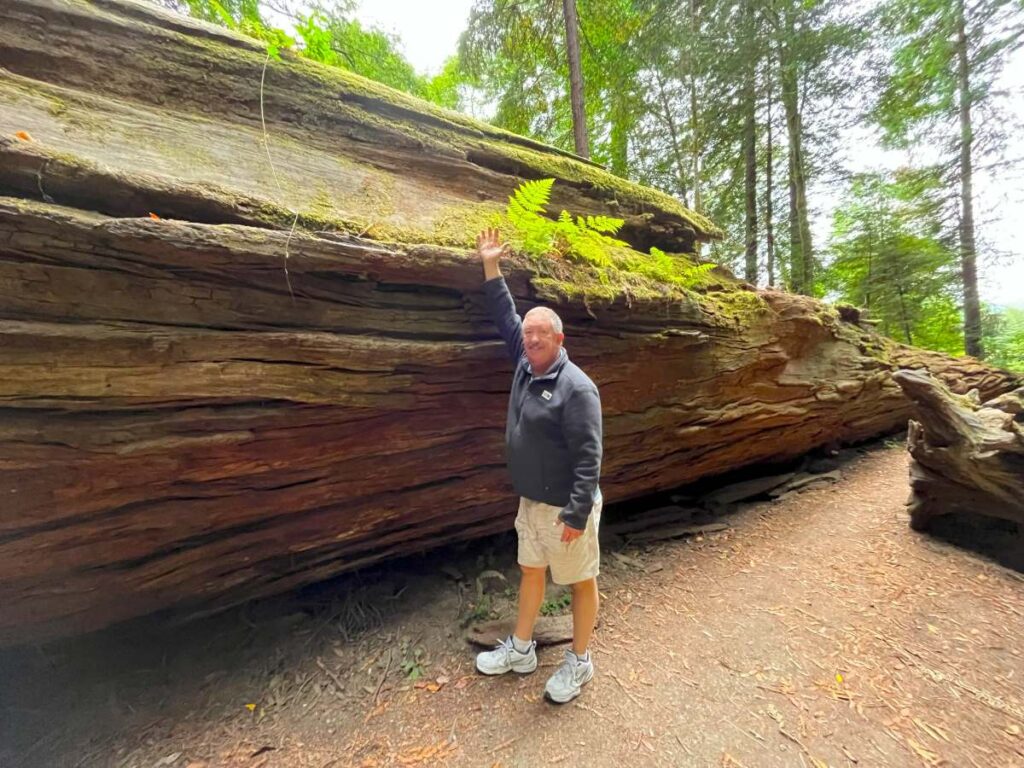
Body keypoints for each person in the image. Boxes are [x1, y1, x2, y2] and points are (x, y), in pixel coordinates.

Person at [472, 227, 604, 704]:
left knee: (579, 580)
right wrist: (491, 264)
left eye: (540, 334)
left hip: (567, 507)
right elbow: (505, 314)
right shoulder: (525, 363)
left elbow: (590, 455)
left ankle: (580, 661)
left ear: (559, 338)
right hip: (531, 501)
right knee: (531, 571)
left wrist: (575, 513)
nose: (530, 339)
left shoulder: (577, 387)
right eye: (527, 334)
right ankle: (523, 649)